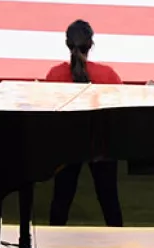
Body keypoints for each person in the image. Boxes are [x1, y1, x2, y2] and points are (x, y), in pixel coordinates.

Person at [45, 20, 124, 227]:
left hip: (66, 144)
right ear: (91, 43)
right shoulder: (108, 75)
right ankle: (117, 242)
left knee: (61, 198)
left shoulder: (54, 75)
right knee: (109, 199)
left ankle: (51, 244)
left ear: (67, 43)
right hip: (101, 144)